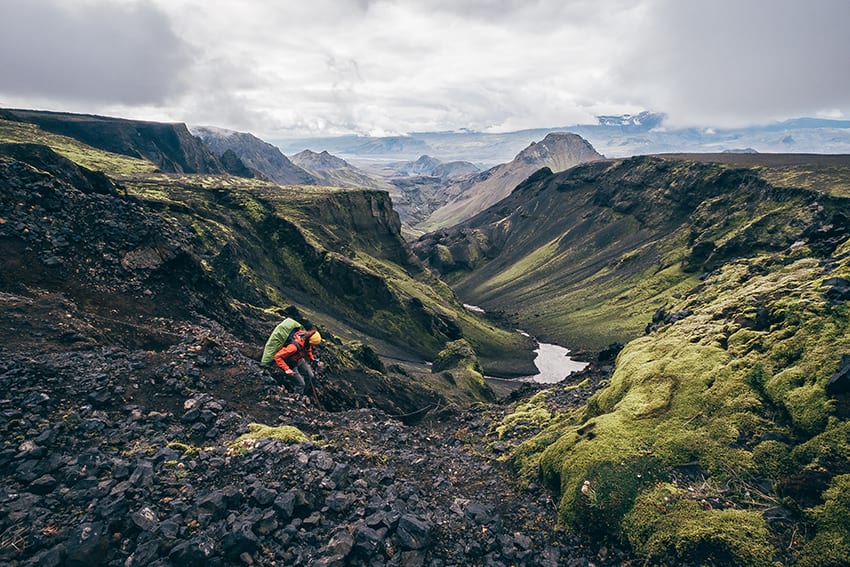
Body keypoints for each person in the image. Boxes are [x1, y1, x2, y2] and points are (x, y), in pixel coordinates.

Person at [273, 329, 324, 395]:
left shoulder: (306, 341)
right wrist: (287, 369)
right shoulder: (293, 347)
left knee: (310, 376)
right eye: (313, 344)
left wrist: (313, 360)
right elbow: (277, 356)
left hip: (299, 360)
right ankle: (296, 398)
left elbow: (308, 350)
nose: (313, 346)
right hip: (290, 364)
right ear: (309, 341)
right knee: (301, 384)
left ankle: (304, 394)